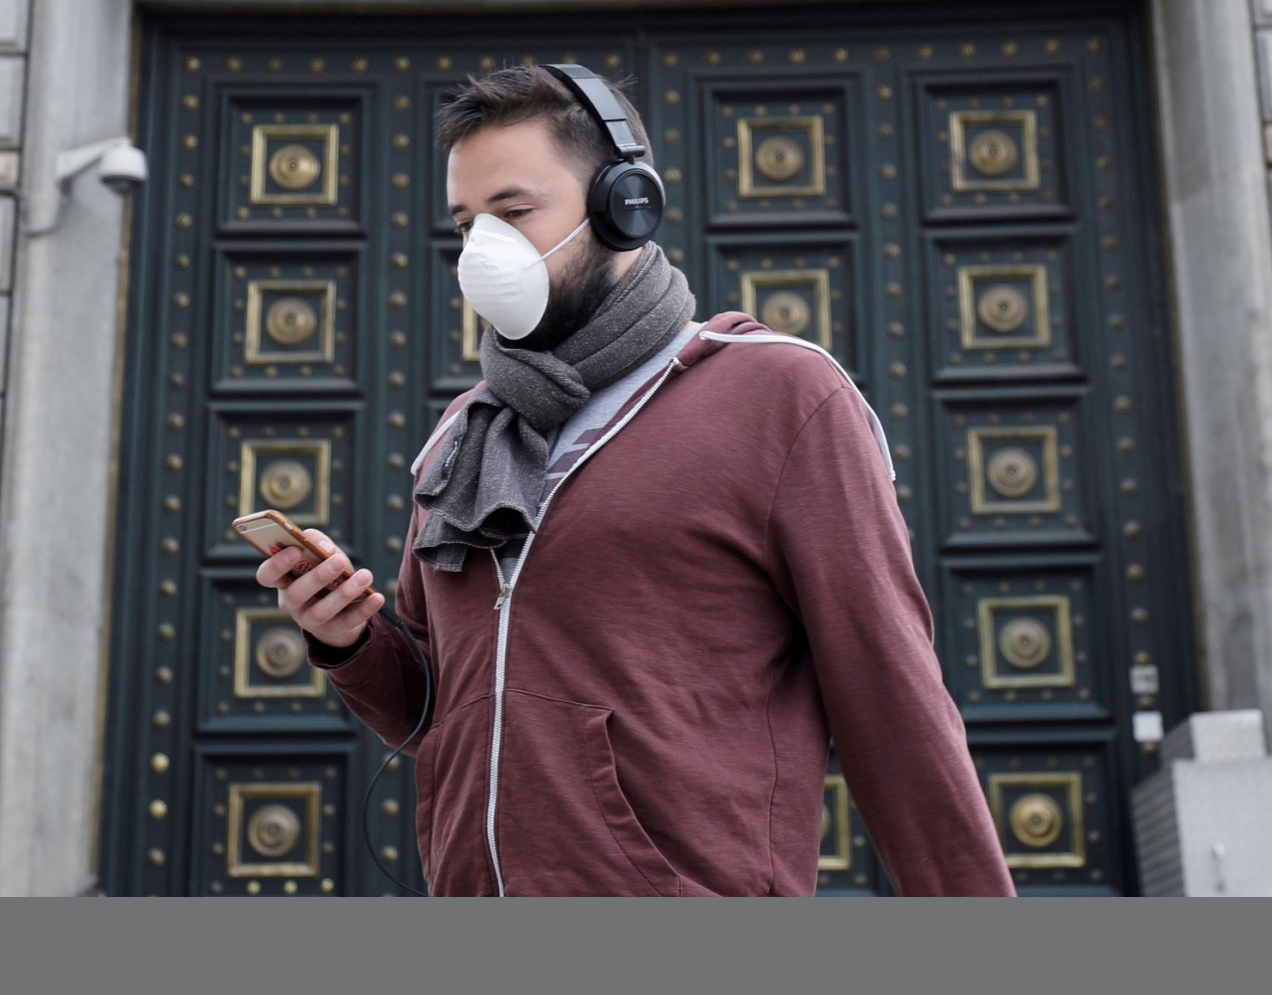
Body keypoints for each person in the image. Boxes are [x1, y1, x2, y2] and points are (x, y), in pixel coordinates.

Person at [257, 62, 1013, 897]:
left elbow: (892, 701)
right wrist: (350, 640)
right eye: (466, 224)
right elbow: (443, 710)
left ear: (625, 205)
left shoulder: (779, 394)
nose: (483, 252)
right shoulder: (466, 432)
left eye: (513, 212)